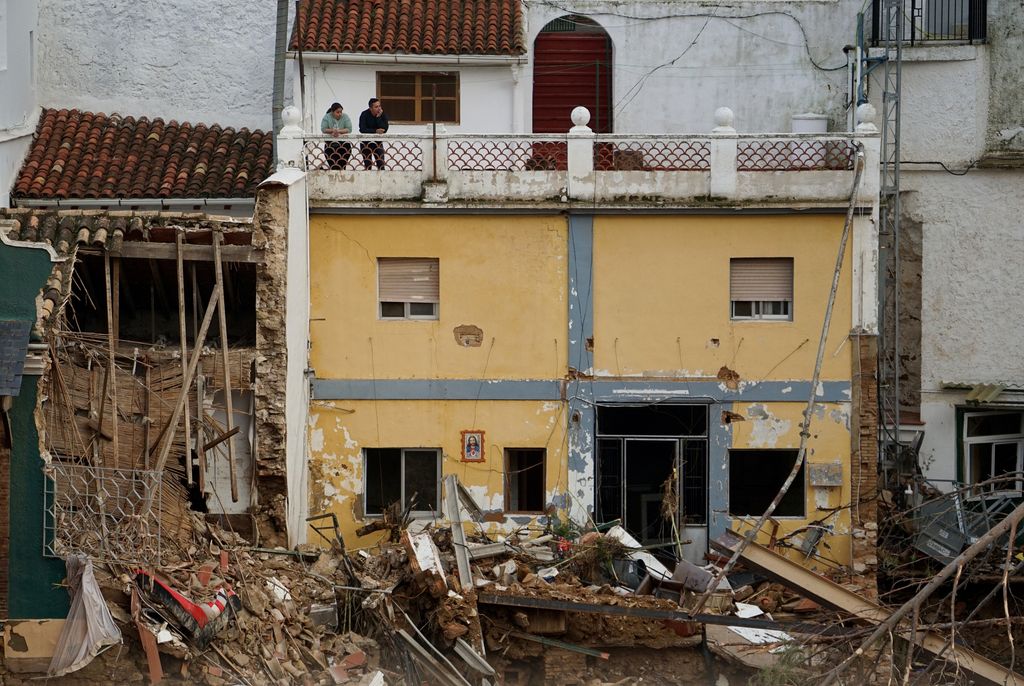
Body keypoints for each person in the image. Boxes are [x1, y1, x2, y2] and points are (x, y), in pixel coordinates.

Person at [358, 97, 389, 170]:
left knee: (381, 164)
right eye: (376, 107)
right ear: (370, 108)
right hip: (366, 142)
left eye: (379, 106)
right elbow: (362, 129)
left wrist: (378, 117)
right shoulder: (364, 114)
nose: (379, 108)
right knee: (368, 165)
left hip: (377, 142)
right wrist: (375, 131)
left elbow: (384, 129)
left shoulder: (382, 114)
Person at [320, 103, 352, 170]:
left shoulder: (345, 116)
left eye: (341, 112)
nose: (340, 114)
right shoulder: (327, 117)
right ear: (332, 112)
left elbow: (349, 129)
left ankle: (342, 179)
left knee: (342, 167)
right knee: (334, 168)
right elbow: (323, 129)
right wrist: (332, 131)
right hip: (330, 145)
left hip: (344, 145)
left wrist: (338, 131)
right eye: (337, 112)